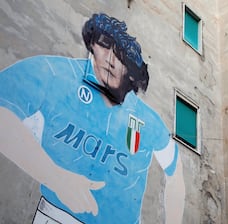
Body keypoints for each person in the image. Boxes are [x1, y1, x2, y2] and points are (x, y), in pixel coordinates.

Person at [0, 13, 184, 224]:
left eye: (121, 55)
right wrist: (55, 177)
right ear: (92, 45)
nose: (110, 59)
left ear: (133, 73)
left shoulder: (147, 119)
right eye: (104, 45)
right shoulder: (58, 74)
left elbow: (175, 170)